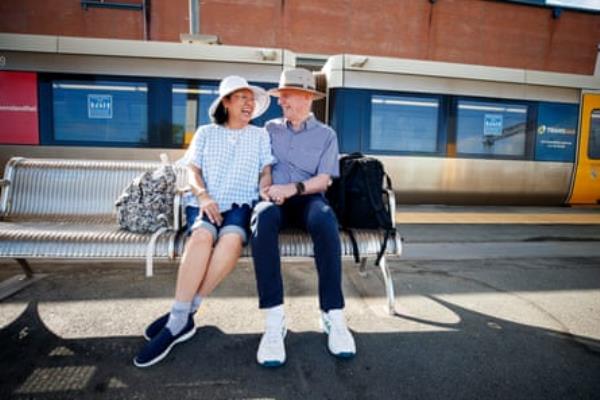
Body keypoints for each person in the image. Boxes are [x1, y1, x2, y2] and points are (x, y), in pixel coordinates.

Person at [134, 75, 274, 368]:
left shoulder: (260, 135)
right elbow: (193, 171)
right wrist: (204, 197)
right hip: (204, 201)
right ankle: (180, 319)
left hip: (240, 204)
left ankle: (181, 315)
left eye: (251, 99)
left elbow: (265, 170)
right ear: (226, 102)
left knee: (232, 240)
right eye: (242, 98)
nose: (249, 104)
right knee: (200, 238)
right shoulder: (206, 132)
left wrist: (265, 187)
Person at [251, 68, 356, 367]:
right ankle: (274, 320)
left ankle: (333, 314)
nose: (281, 101)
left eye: (287, 96)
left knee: (325, 219)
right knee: (262, 216)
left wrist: (293, 188)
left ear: (307, 98)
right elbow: (265, 166)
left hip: (308, 197)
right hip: (276, 199)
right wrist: (266, 189)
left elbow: (324, 180)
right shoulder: (269, 129)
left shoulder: (326, 135)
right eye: (280, 96)